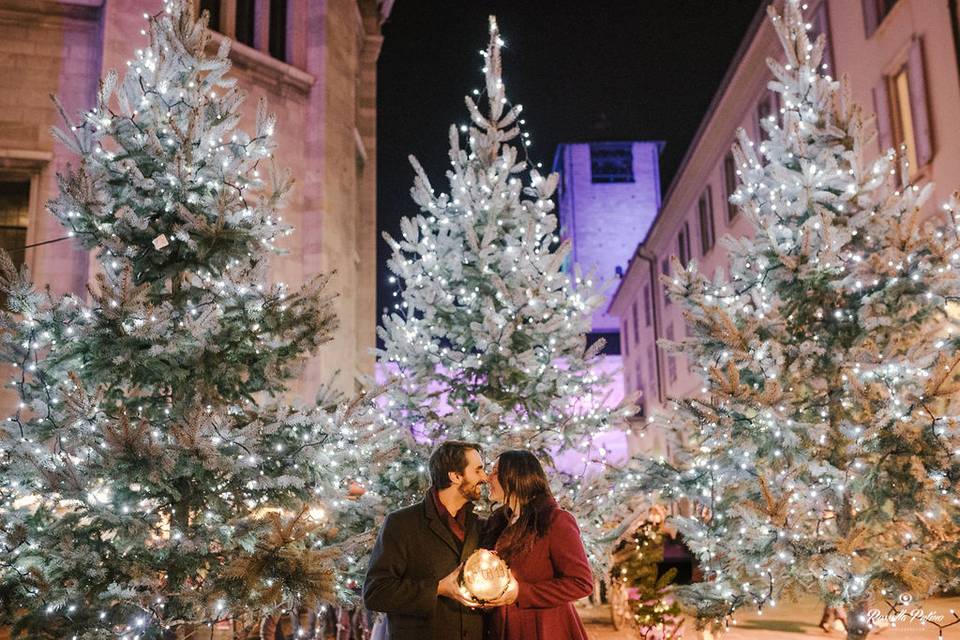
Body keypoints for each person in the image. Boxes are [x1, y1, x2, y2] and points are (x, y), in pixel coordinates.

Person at [363, 440, 488, 640]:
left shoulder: (480, 526)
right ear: (455, 476)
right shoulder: (401, 523)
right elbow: (376, 593)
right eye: (478, 470)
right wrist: (438, 589)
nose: (485, 477)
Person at [480, 450, 594, 640]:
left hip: (544, 628)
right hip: (504, 629)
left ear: (515, 476)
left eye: (494, 471)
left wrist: (521, 592)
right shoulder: (498, 521)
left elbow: (581, 583)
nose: (487, 478)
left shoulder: (555, 520)